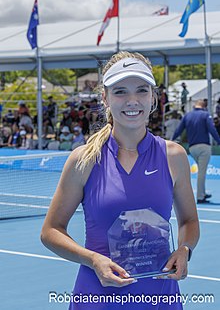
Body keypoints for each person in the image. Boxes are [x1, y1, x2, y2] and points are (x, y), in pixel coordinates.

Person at [41, 51, 199, 309]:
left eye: (141, 90)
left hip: (160, 297)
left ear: (153, 98)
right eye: (120, 91)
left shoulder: (174, 156)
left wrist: (184, 250)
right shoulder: (84, 160)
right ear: (105, 98)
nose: (132, 101)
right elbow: (50, 231)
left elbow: (190, 221)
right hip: (97, 297)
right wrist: (94, 260)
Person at [172, 99, 220, 204]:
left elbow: (178, 130)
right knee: (202, 173)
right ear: (203, 106)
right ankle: (200, 196)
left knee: (200, 171)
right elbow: (212, 129)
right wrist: (219, 141)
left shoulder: (187, 115)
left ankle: (202, 192)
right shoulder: (205, 115)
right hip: (204, 146)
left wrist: (171, 139)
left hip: (192, 148)